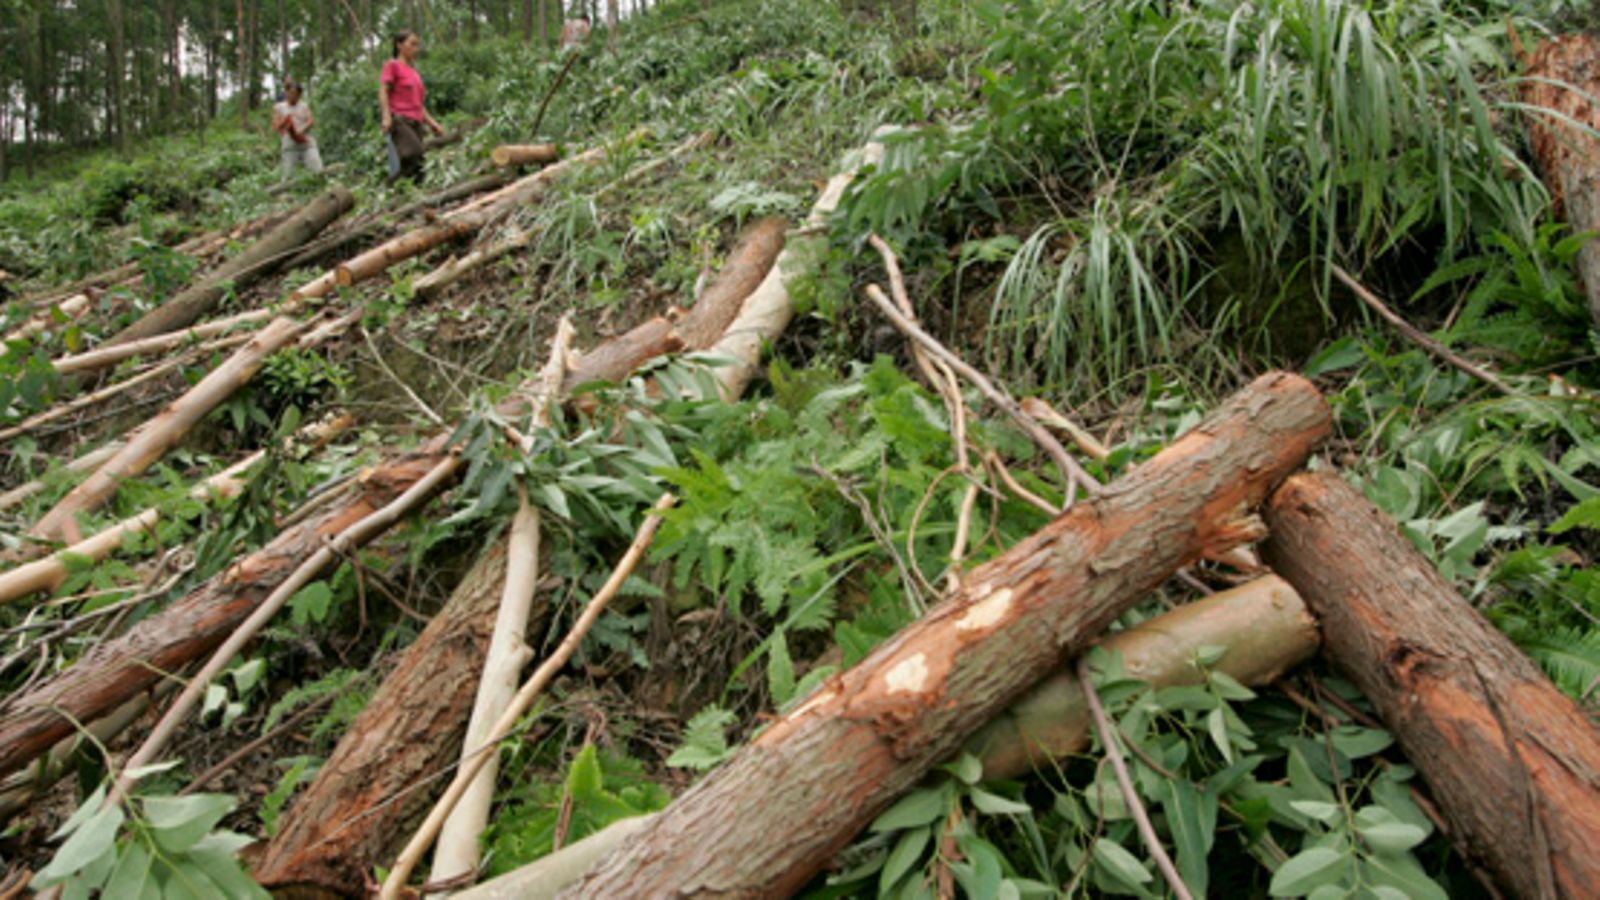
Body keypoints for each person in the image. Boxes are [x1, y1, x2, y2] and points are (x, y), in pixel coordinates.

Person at [380, 30, 446, 183]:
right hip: (400, 120)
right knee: (413, 154)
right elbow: (383, 91)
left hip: (416, 123)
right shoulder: (392, 66)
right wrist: (386, 117)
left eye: (417, 45)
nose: (416, 48)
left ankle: (408, 193)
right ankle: (392, 185)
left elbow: (418, 104)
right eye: (412, 44)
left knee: (419, 164)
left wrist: (433, 124)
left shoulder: (414, 73)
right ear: (399, 45)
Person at [271, 80, 323, 180]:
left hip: (307, 144)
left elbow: (311, 121)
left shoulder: (304, 106)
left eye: (296, 94)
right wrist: (284, 122)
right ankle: (285, 194)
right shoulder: (279, 107)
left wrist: (301, 129)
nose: (292, 96)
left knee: (317, 172)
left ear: (299, 95)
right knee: (288, 177)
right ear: (287, 92)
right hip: (290, 146)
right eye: (290, 93)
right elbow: (275, 125)